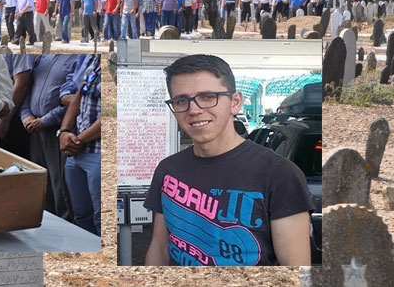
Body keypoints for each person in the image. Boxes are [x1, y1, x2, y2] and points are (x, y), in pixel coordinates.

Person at [143, 54, 313, 266]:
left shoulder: (281, 175)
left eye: (207, 97)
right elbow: (159, 248)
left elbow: (296, 271)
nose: (194, 110)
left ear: (235, 102)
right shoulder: (167, 169)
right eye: (181, 100)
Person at [9, 54, 77, 219]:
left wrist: (45, 121)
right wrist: (26, 116)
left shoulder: (77, 59)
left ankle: (64, 229)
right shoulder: (43, 58)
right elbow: (27, 88)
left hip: (56, 130)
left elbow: (76, 101)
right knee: (40, 182)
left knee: (59, 186)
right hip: (34, 131)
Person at [58, 54, 102, 235]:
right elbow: (79, 96)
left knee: (101, 220)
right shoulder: (93, 58)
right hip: (77, 153)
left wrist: (77, 139)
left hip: (98, 153)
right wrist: (64, 131)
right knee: (81, 216)